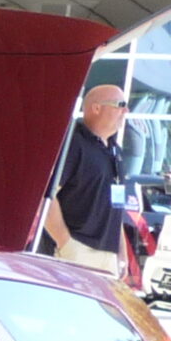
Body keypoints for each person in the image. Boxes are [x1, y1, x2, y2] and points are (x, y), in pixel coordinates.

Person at [41, 84, 131, 272]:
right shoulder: (73, 144)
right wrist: (66, 243)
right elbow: (46, 196)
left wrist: (121, 250)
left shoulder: (115, 152)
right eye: (120, 105)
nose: (126, 111)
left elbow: (116, 206)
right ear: (96, 108)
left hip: (107, 256)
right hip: (75, 250)